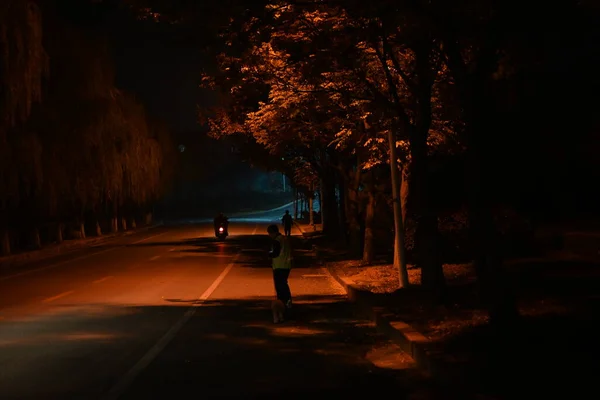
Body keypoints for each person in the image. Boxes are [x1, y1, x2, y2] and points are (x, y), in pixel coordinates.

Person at [267, 224, 292, 310]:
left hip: (279, 266)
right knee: (284, 284)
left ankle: (282, 304)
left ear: (273, 233)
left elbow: (275, 253)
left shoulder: (277, 241)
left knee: (280, 287)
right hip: (287, 265)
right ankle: (288, 301)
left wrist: (269, 254)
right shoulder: (284, 238)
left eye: (269, 233)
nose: (269, 236)